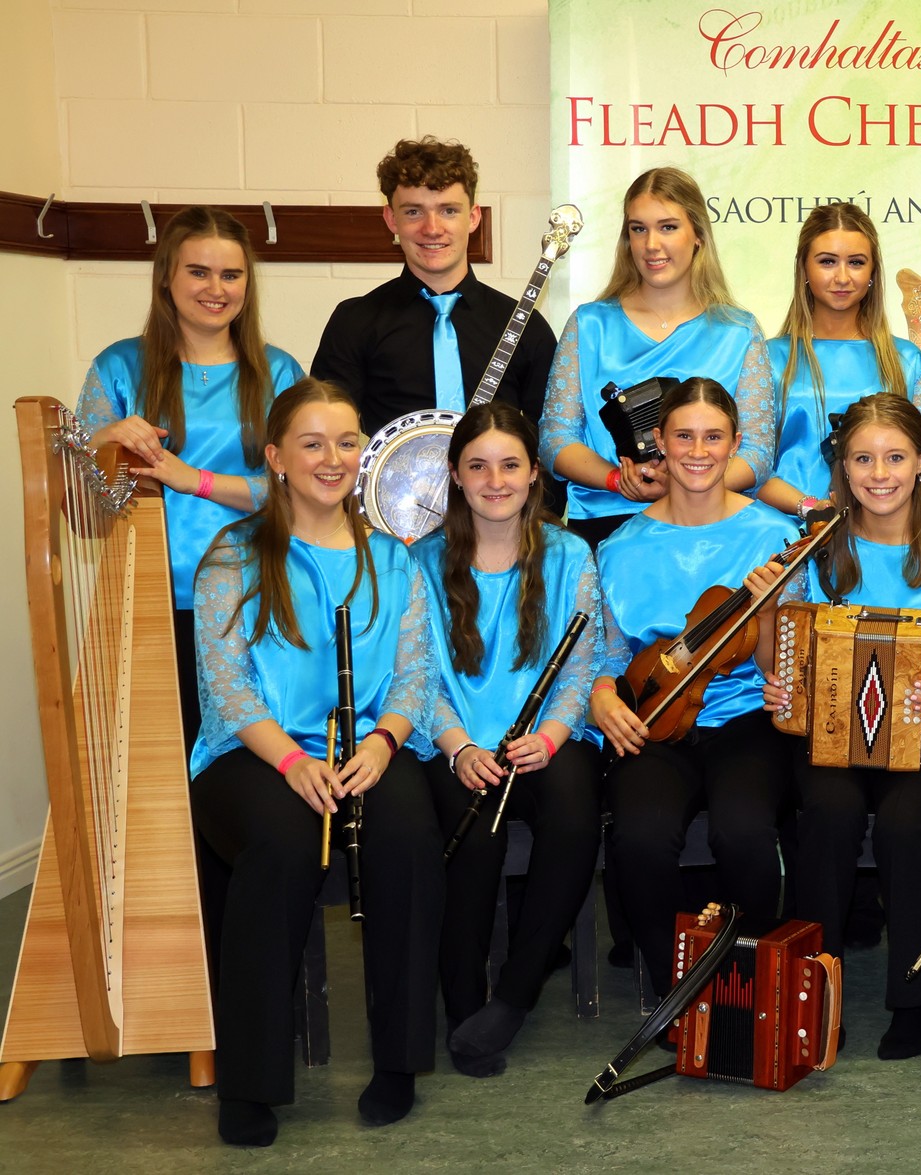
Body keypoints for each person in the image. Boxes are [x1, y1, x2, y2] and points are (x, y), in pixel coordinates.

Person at [188, 380, 440, 1145]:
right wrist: (293, 760)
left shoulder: (391, 557)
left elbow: (415, 675)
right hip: (256, 753)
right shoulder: (235, 553)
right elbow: (227, 685)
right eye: (311, 443)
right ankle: (251, 1081)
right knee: (283, 845)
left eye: (346, 441)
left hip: (364, 746)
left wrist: (382, 741)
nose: (333, 459)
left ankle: (399, 1062)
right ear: (275, 458)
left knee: (406, 836)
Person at [753, 393, 921, 1060]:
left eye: (893, 456)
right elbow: (782, 663)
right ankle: (814, 993)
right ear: (842, 468)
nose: (878, 472)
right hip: (832, 735)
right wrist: (773, 621)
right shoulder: (817, 550)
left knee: (905, 825)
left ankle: (911, 999)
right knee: (825, 815)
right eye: (862, 458)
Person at [587, 377, 799, 996]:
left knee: (745, 830)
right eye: (684, 436)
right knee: (641, 836)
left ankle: (753, 987)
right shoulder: (623, 545)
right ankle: (676, 990)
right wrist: (602, 695)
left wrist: (764, 612)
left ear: (735, 443)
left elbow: (775, 667)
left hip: (743, 718)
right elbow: (608, 650)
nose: (698, 451)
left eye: (714, 437)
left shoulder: (772, 537)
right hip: (653, 717)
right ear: (659, 441)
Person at [413, 402, 606, 1077]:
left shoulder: (570, 554)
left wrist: (551, 737)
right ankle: (463, 1000)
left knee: (575, 813)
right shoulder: (420, 562)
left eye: (510, 464)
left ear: (532, 476)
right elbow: (415, 674)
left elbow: (582, 668)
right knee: (473, 835)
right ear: (457, 477)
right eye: (477, 465)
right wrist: (460, 745)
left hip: (546, 734)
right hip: (454, 738)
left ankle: (515, 997)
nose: (495, 480)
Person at [76, 205, 307, 746]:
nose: (216, 288)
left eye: (231, 274)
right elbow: (80, 498)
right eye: (198, 272)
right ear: (167, 278)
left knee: (248, 763)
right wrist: (103, 440)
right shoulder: (119, 367)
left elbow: (303, 495)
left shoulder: (278, 372)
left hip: (256, 596)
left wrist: (194, 479)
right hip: (154, 597)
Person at [540, 167, 777, 547]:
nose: (651, 244)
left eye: (668, 227)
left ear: (697, 235)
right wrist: (616, 480)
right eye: (638, 228)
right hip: (606, 524)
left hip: (714, 530)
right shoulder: (589, 325)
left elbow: (759, 452)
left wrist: (686, 483)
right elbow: (554, 437)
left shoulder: (739, 331)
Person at [312, 137, 557, 438]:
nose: (431, 228)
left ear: (474, 217)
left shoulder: (525, 326)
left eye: (448, 211)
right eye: (413, 211)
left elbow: (550, 444)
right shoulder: (354, 322)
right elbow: (327, 437)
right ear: (391, 219)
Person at [759, 202, 921, 517]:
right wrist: (813, 508)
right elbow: (747, 463)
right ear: (804, 270)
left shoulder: (907, 361)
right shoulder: (768, 358)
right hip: (777, 531)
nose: (842, 277)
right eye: (827, 262)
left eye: (855, 262)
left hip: (880, 531)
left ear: (872, 273)